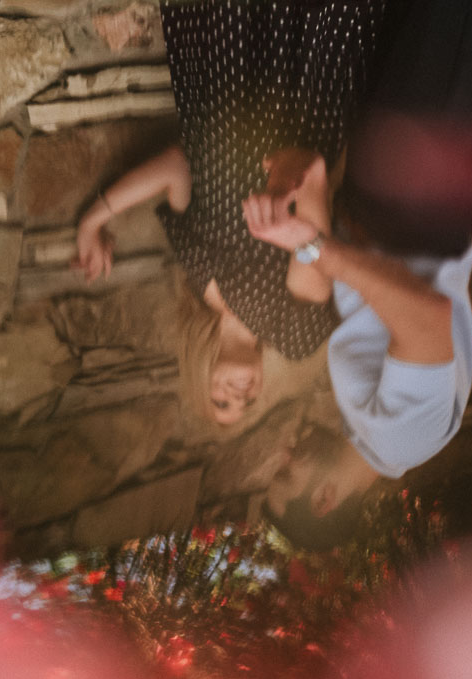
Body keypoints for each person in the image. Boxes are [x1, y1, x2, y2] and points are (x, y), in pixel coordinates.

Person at [247, 0, 472, 547]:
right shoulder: (404, 440)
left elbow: (355, 293)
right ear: (326, 500)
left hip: (392, 198)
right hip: (424, 197)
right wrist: (317, 248)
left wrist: (310, 202)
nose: (285, 457)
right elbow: (425, 317)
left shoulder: (363, 423)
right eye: (287, 476)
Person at [75, 0, 396, 426]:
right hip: (300, 95)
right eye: (248, 405)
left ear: (198, 375)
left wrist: (93, 219)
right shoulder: (294, 336)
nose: (240, 398)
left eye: (221, 402)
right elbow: (313, 227)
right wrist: (290, 189)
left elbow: (176, 167)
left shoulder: (197, 273)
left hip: (223, 79)